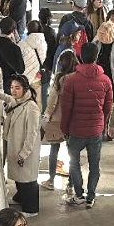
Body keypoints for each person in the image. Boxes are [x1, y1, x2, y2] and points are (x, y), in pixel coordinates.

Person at [60, 42, 114, 209]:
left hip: (75, 129)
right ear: (96, 57)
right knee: (94, 165)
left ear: (81, 57)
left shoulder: (71, 80)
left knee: (74, 163)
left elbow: (66, 108)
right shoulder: (106, 80)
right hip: (95, 130)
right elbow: (108, 106)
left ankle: (78, 194)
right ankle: (91, 196)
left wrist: (64, 128)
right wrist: (103, 123)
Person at [2, 75, 42, 216]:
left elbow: (32, 134)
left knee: (28, 180)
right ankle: (20, 198)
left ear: (25, 89)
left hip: (25, 150)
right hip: (17, 146)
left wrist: (24, 153)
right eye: (12, 87)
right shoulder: (19, 101)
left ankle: (31, 209)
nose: (14, 91)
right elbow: (8, 98)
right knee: (21, 178)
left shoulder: (31, 108)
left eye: (17, 88)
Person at [42, 50, 77, 193]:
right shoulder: (78, 78)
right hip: (73, 119)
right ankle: (71, 184)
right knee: (73, 152)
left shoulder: (59, 78)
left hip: (58, 118)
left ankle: (51, 180)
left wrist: (47, 115)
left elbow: (52, 100)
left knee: (54, 149)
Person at [94, 21, 114, 87]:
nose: (100, 35)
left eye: (103, 33)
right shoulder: (95, 44)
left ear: (110, 34)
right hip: (97, 82)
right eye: (99, 33)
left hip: (113, 82)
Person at [18, 20, 47, 91]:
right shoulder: (44, 43)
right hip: (37, 77)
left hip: (24, 79)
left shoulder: (21, 44)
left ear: (28, 29)